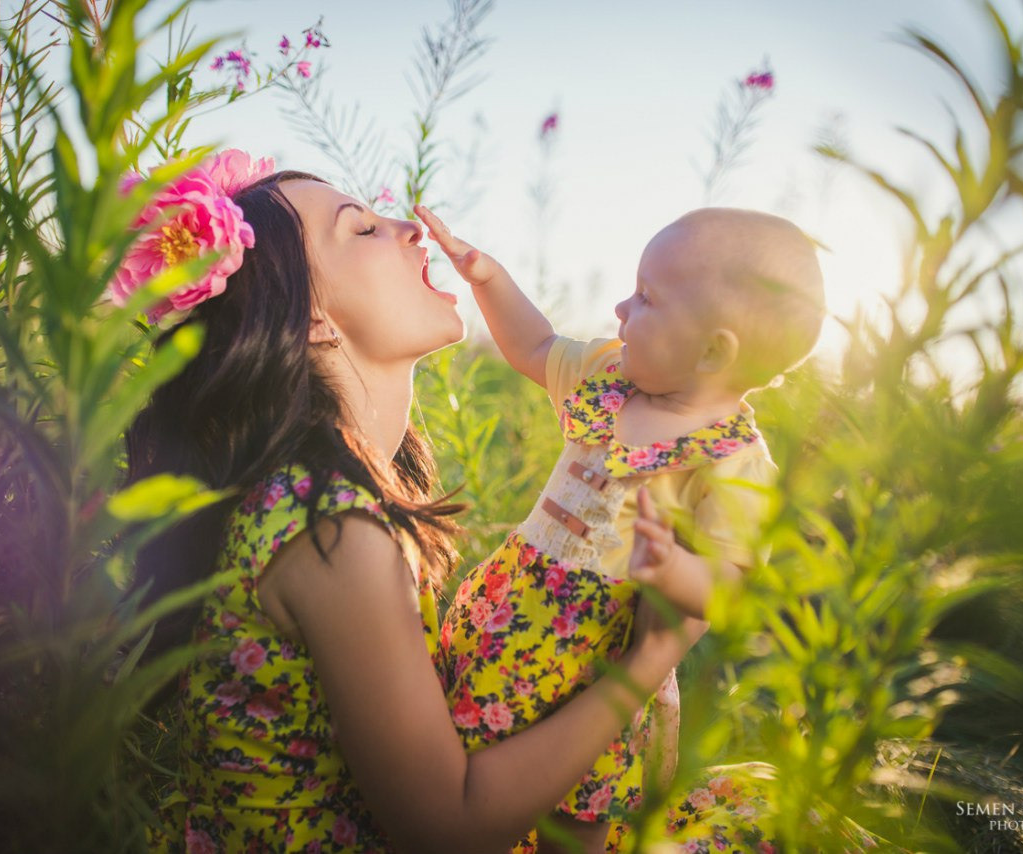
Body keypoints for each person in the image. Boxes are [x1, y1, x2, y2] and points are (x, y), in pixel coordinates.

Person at [120, 155, 710, 853]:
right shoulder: (332, 528)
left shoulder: (315, 495)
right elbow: (448, 829)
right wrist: (647, 659)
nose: (409, 229)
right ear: (311, 317)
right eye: (362, 228)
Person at [417, 203, 825, 853]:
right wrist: (487, 278)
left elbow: (733, 587)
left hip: (599, 658)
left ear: (713, 350)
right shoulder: (609, 378)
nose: (620, 309)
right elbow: (535, 346)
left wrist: (675, 569)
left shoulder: (732, 461)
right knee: (472, 757)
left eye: (645, 298)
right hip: (511, 618)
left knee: (578, 810)